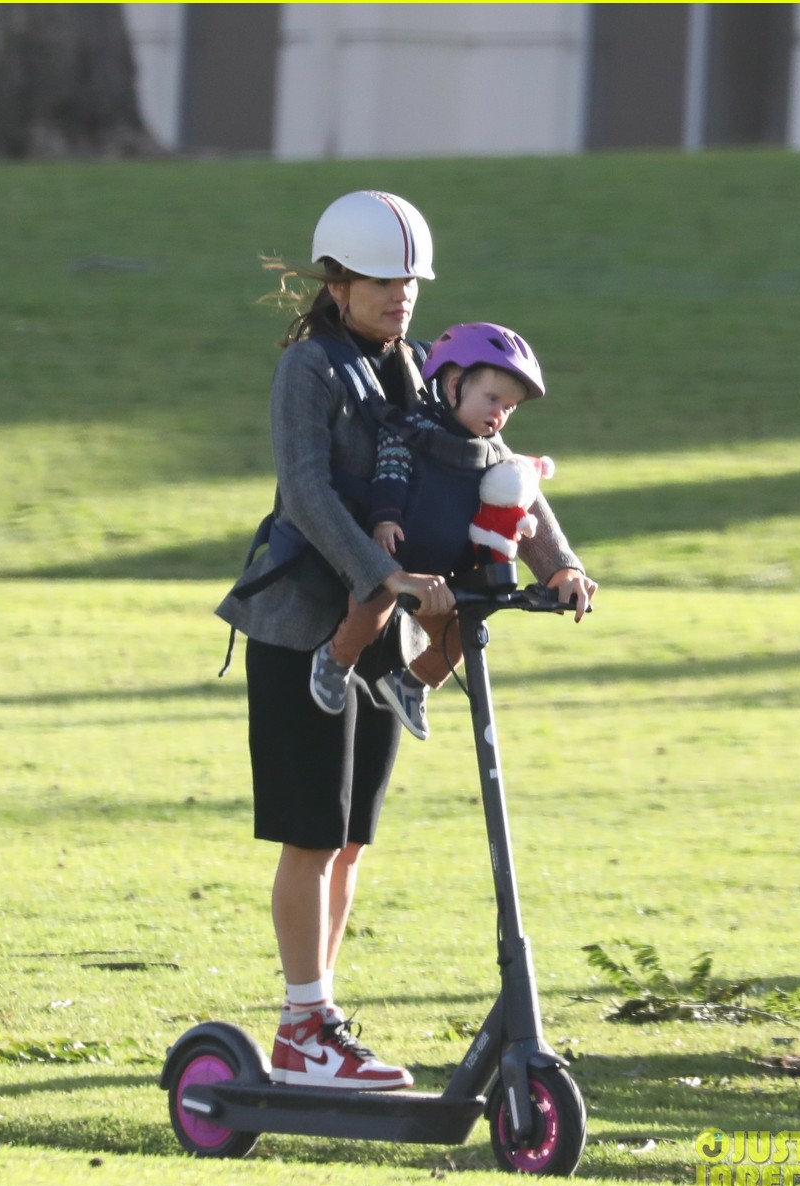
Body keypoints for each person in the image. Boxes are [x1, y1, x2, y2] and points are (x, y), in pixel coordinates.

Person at [216, 189, 597, 1092]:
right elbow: (307, 491)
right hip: (304, 626)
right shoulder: (310, 368)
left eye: (411, 284)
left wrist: (560, 565)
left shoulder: (426, 368)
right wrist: (380, 574)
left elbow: (498, 469)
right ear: (338, 284)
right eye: (384, 282)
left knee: (350, 838)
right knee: (311, 835)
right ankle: (302, 1029)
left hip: (383, 636)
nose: (400, 297)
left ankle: (320, 1025)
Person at [309, 322, 551, 742]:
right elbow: (390, 475)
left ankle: (413, 683)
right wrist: (385, 519)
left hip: (444, 575)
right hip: (396, 557)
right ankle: (335, 659)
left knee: (466, 630)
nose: (499, 413)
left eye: (509, 407)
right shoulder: (413, 431)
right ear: (454, 386)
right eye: (492, 399)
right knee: (372, 602)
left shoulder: (494, 455)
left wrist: (560, 571)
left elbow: (518, 505)